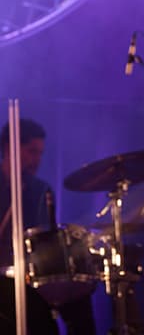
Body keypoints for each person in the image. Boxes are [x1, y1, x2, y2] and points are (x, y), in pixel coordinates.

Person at [0, 119, 97, 335]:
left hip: (31, 275)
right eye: (31, 151)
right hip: (4, 275)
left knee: (79, 300)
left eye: (40, 153)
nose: (37, 160)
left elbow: (46, 239)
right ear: (9, 148)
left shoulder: (41, 190)